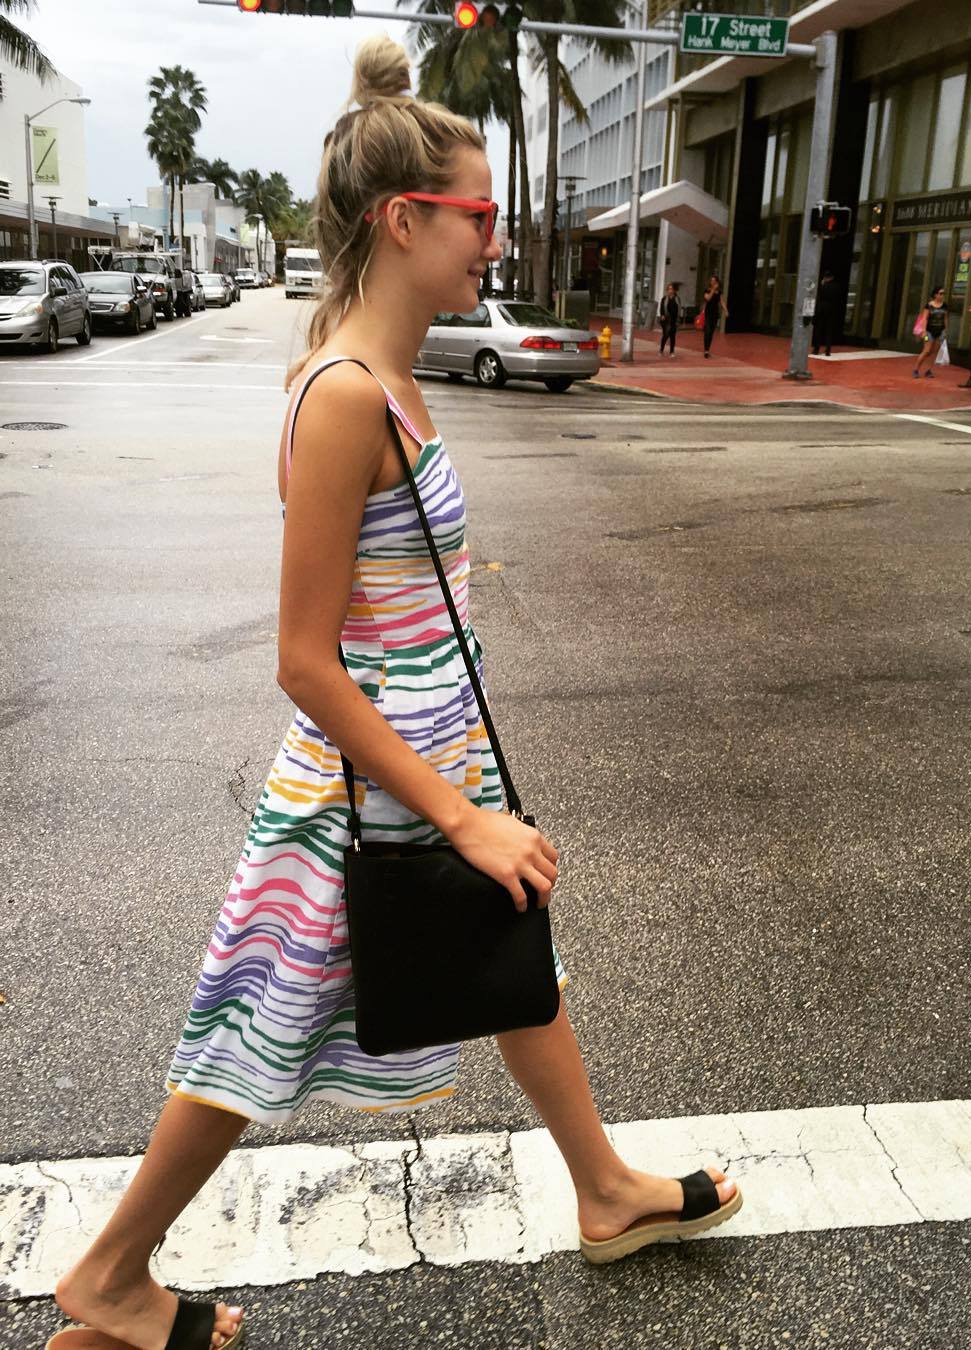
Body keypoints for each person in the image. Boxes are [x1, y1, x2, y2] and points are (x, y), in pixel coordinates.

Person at [50, 35, 741, 1350]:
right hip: (362, 785)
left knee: (514, 952)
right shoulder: (346, 395)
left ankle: (602, 1185)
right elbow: (303, 656)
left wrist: (468, 791)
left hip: (426, 758)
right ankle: (110, 1274)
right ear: (404, 219)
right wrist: (461, 814)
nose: (495, 239)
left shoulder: (393, 378)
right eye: (477, 216)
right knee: (255, 1028)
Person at [913, 285, 948, 378]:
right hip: (928, 332)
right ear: (935, 295)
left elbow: (945, 318)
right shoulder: (929, 305)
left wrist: (945, 330)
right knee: (926, 350)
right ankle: (916, 369)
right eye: (941, 293)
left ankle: (928, 370)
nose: (942, 295)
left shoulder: (945, 306)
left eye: (943, 293)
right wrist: (924, 331)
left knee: (934, 352)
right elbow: (925, 319)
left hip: (940, 332)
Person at [811, 271, 842, 357]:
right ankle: (828, 350)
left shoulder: (823, 286)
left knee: (819, 329)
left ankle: (816, 349)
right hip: (832, 310)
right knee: (829, 330)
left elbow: (819, 296)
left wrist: (822, 285)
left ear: (825, 278)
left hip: (822, 309)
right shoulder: (837, 286)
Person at [701, 273, 728, 358]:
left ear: (717, 282)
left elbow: (722, 301)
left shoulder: (719, 292)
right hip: (708, 313)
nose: (712, 282)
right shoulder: (707, 290)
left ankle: (708, 349)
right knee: (707, 331)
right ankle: (705, 350)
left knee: (711, 332)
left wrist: (726, 310)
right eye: (711, 281)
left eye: (714, 281)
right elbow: (708, 298)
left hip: (715, 313)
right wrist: (713, 290)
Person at [658, 281, 681, 357]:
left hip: (674, 319)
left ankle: (672, 351)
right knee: (666, 334)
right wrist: (662, 315)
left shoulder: (677, 299)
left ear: (674, 290)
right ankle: (661, 350)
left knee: (672, 336)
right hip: (666, 319)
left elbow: (679, 308)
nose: (670, 291)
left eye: (671, 289)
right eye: (668, 289)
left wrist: (678, 319)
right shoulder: (664, 299)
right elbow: (661, 308)